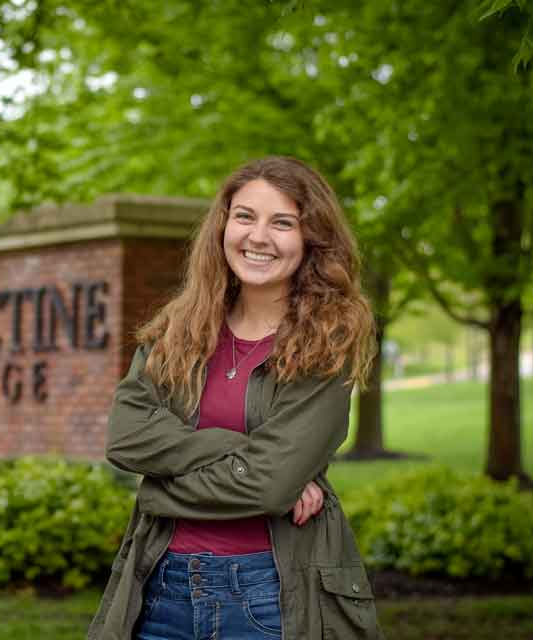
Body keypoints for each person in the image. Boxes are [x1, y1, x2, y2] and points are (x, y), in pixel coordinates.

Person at [88, 156, 383, 640]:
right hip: (161, 587)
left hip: (269, 594)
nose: (258, 236)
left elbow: (267, 486)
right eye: (244, 216)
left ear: (311, 238)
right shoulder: (177, 328)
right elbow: (126, 438)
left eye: (282, 222)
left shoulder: (329, 336)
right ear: (223, 224)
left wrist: (158, 488)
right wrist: (245, 453)